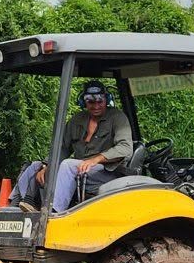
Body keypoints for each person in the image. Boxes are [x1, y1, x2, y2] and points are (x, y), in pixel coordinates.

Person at [15, 81, 134, 212]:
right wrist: (47, 165)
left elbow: (125, 148)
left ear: (107, 100)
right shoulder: (77, 119)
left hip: (106, 171)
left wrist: (96, 159)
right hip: (80, 168)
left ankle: (53, 212)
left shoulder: (117, 117)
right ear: (84, 102)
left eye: (100, 101)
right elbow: (63, 148)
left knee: (68, 165)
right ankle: (15, 206)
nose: (96, 106)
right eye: (91, 102)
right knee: (35, 166)